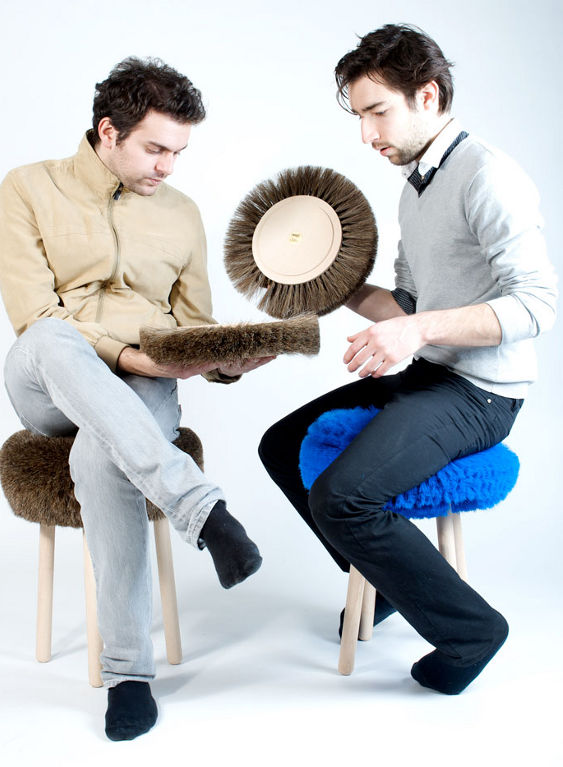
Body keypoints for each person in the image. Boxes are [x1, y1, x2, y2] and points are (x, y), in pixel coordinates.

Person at [259, 24, 557, 695]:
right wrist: (325, 282)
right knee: (281, 444)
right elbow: (406, 306)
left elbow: (539, 304)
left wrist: (416, 329)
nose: (366, 135)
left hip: (480, 394)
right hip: (432, 374)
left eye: (375, 112)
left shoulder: (488, 176)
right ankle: (388, 578)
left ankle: (468, 630)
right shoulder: (414, 186)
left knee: (342, 496)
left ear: (427, 95)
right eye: (359, 116)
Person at [0, 57, 271, 740]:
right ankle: (200, 507)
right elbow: (32, 313)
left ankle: (126, 674)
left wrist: (229, 359)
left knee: (102, 456)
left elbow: (194, 325)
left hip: (146, 381)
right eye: (155, 148)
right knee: (57, 338)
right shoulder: (29, 187)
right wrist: (122, 352)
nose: (168, 167)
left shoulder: (182, 215)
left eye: (178, 152)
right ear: (108, 132)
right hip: (49, 375)